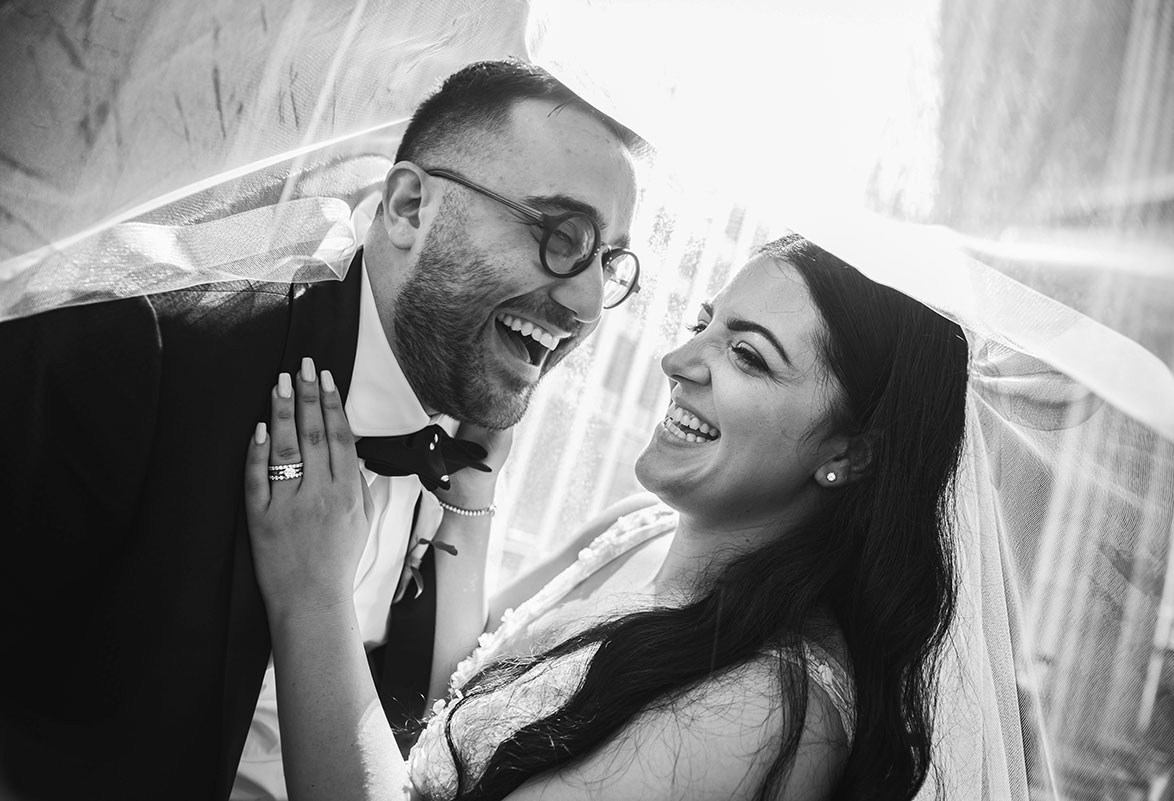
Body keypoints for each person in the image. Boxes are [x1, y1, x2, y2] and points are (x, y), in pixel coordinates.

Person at [0, 59, 643, 801]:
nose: (589, 303)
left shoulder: (465, 431)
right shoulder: (145, 345)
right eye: (563, 235)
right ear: (409, 207)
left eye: (611, 263)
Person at [244, 233, 971, 800]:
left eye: (748, 356)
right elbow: (460, 695)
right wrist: (473, 479)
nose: (678, 359)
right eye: (703, 323)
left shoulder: (762, 715)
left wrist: (312, 591)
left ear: (850, 452)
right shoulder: (638, 531)